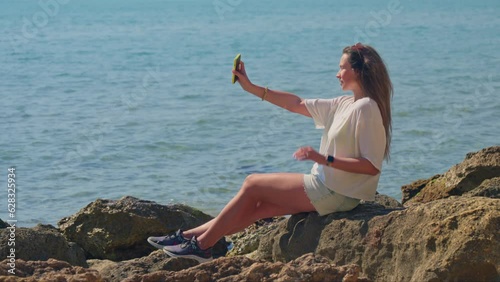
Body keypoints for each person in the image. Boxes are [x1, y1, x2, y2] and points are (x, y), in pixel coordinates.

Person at [148, 43, 393, 262]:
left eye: (342, 68)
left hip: (337, 192)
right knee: (259, 208)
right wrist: (251, 87)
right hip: (326, 185)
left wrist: (323, 159)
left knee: (252, 183)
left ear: (359, 71)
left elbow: (371, 165)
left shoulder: (367, 108)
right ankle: (185, 238)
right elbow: (295, 104)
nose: (337, 73)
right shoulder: (344, 103)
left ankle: (201, 247)